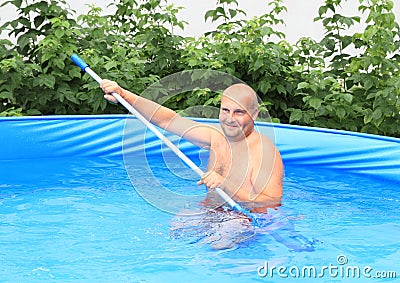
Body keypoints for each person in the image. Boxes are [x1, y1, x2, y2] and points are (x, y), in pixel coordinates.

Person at [100, 80, 284, 208]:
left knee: (221, 242)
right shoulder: (216, 136)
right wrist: (124, 95)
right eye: (225, 110)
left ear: (254, 114)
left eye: (239, 112)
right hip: (211, 210)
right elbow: (168, 120)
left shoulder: (264, 152)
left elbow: (272, 202)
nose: (230, 119)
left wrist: (226, 184)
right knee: (176, 229)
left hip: (244, 219)